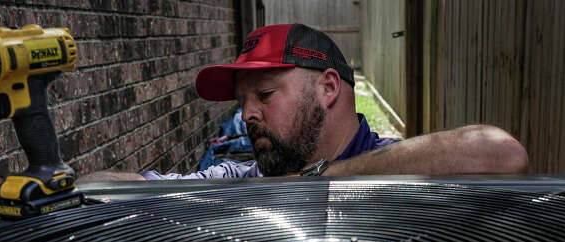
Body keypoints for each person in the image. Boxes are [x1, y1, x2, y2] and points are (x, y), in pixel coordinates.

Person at [79, 23, 528, 182]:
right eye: (241, 101)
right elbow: (108, 188)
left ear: (328, 88)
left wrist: (321, 177)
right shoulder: (240, 177)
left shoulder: (391, 163)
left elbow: (502, 154)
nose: (246, 114)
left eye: (265, 95)